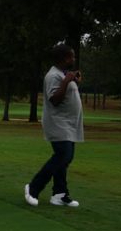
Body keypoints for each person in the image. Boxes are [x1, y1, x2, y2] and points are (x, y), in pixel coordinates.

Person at [25, 44, 84, 208]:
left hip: (69, 124)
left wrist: (72, 80)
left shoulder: (63, 74)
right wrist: (66, 80)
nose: (73, 59)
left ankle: (59, 194)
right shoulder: (53, 76)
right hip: (58, 123)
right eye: (71, 56)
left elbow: (67, 94)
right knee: (62, 155)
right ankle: (33, 188)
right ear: (63, 58)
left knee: (66, 157)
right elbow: (55, 99)